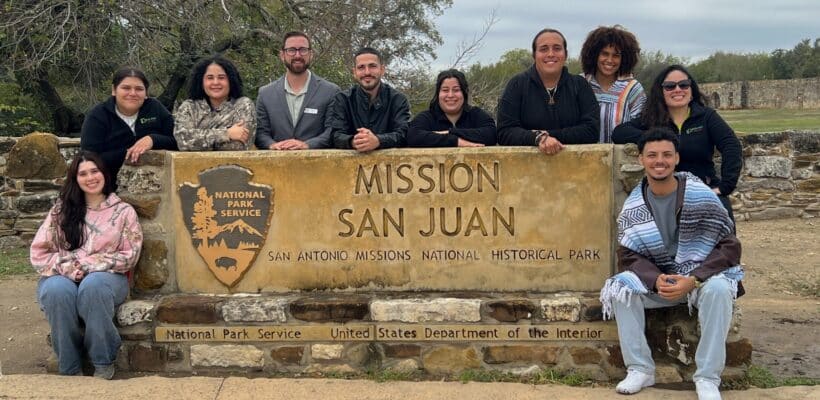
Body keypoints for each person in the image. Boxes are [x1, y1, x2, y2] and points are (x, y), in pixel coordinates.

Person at [600, 129, 744, 400]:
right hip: (662, 283)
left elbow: (730, 246)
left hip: (699, 280)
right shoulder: (633, 206)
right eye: (652, 155)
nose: (659, 161)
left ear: (677, 158)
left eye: (667, 155)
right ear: (641, 159)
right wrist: (655, 279)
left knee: (719, 291)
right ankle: (640, 368)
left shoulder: (700, 195)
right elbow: (629, 256)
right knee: (621, 289)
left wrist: (695, 278)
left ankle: (707, 377)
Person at [30, 151, 143, 379]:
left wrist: (90, 265)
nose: (90, 177)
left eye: (95, 171)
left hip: (108, 277)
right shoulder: (61, 211)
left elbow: (130, 253)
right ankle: (70, 368)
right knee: (56, 291)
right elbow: (39, 252)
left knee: (93, 287)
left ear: (104, 174)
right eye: (83, 173)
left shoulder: (123, 211)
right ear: (75, 178)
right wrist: (69, 267)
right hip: (63, 274)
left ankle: (103, 361)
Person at [612, 65, 742, 220]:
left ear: (691, 89)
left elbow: (731, 145)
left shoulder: (706, 117)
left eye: (684, 84)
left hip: (703, 189)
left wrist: (725, 187)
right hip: (664, 191)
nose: (677, 89)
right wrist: (658, 139)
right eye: (670, 86)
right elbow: (619, 132)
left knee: (724, 228)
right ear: (661, 92)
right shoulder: (653, 118)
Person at [496, 28, 599, 155]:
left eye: (557, 48)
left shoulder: (580, 85)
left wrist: (545, 136)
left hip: (575, 168)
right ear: (534, 55)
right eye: (543, 49)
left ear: (565, 54)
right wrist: (536, 138)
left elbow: (591, 131)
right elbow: (505, 132)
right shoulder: (516, 85)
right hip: (525, 170)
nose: (550, 54)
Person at [80, 67, 176, 186]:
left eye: (139, 89)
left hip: (157, 187)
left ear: (146, 93)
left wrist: (152, 139)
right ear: (114, 90)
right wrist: (129, 152)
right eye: (126, 88)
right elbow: (89, 157)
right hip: (109, 187)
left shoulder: (155, 108)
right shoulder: (98, 115)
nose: (132, 93)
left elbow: (177, 141)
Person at [255, 32, 341, 150]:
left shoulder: (331, 92)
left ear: (311, 54)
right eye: (291, 50)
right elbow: (260, 133)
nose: (297, 55)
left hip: (318, 165)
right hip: (276, 165)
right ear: (282, 55)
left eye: (303, 50)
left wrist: (307, 145)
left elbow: (333, 131)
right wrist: (273, 145)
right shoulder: (265, 94)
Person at [328, 47, 410, 152]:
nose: (367, 72)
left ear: (382, 70)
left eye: (372, 66)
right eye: (361, 67)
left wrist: (378, 140)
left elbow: (404, 134)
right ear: (354, 72)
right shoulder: (343, 99)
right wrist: (353, 141)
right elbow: (335, 135)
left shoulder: (398, 100)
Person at [174, 55, 256, 151]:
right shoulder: (189, 107)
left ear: (231, 80)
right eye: (210, 78)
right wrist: (226, 134)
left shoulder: (243, 105)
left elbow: (238, 145)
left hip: (233, 165)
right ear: (201, 81)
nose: (215, 82)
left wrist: (197, 139)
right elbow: (183, 143)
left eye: (221, 77)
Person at [580, 25, 646, 143]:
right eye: (605, 54)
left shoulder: (633, 88)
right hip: (583, 157)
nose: (610, 60)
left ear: (624, 58)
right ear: (594, 54)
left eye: (616, 55)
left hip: (623, 158)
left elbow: (640, 126)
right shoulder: (579, 83)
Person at [407, 69, 496, 147]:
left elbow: (491, 134)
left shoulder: (476, 114)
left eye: (456, 90)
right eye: (445, 90)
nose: (450, 95)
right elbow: (413, 136)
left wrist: (450, 132)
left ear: (464, 93)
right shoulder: (426, 117)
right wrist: (456, 141)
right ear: (438, 94)